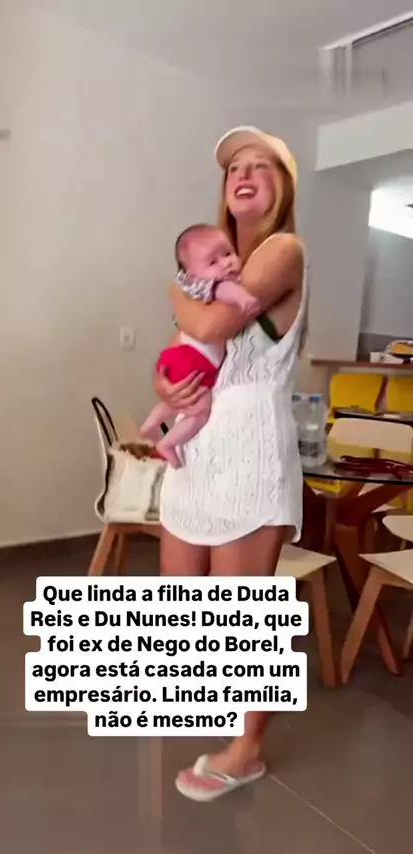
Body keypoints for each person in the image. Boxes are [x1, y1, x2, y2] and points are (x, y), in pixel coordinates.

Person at [155, 125, 307, 802]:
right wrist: (166, 390)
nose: (244, 174)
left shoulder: (283, 251)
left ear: (284, 187)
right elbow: (184, 353)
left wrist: (174, 289)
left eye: (261, 166)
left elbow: (210, 327)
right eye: (234, 167)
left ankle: (246, 751)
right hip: (198, 449)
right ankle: (220, 710)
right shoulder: (212, 274)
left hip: (249, 445)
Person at [140, 223, 259, 467]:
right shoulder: (211, 287)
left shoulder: (192, 291)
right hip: (196, 360)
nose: (225, 263)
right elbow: (223, 290)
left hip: (177, 355)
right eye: (213, 262)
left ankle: (150, 423)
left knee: (178, 398)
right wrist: (243, 297)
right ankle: (167, 444)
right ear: (192, 276)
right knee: (200, 412)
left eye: (228, 253)